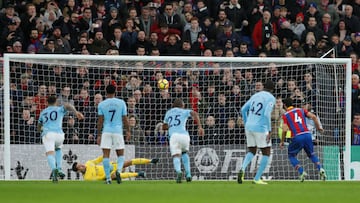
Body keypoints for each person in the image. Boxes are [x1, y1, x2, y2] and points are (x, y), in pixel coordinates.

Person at [37, 95, 84, 183]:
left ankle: (54, 170)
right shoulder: (59, 109)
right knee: (58, 149)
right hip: (60, 135)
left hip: (48, 134)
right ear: (56, 102)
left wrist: (41, 129)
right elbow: (68, 105)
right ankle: (59, 169)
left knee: (50, 153)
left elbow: (39, 127)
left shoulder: (43, 112)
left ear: (47, 103)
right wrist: (76, 112)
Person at [237, 80, 276, 185]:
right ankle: (257, 178)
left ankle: (242, 168)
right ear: (273, 89)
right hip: (261, 128)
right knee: (266, 152)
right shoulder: (271, 98)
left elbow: (243, 109)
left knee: (252, 151)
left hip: (249, 127)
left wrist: (246, 123)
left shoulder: (255, 95)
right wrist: (269, 130)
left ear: (263, 86)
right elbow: (267, 114)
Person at [280, 98, 326, 182]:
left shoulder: (285, 115)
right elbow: (314, 117)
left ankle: (301, 172)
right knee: (311, 155)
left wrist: (282, 141)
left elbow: (284, 130)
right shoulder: (301, 110)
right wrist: (318, 128)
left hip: (297, 136)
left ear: (284, 105)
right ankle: (321, 169)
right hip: (308, 135)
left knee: (291, 155)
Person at [163, 98, 204, 183]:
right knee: (184, 153)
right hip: (185, 135)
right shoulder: (184, 111)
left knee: (176, 156)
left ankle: (178, 172)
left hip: (174, 136)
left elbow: (164, 127)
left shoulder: (168, 113)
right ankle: (188, 174)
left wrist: (170, 126)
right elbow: (195, 114)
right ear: (182, 106)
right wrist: (200, 127)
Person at [97, 84, 130, 184]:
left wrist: (99, 135)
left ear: (106, 92)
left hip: (106, 131)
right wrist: (128, 130)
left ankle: (108, 178)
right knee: (120, 154)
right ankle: (119, 171)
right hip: (118, 131)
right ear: (115, 92)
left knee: (106, 155)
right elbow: (125, 118)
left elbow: (100, 121)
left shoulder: (102, 104)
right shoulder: (121, 103)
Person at [72, 156, 159, 181]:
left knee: (128, 162)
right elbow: (100, 178)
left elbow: (98, 160)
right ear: (79, 171)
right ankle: (139, 174)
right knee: (115, 175)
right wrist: (108, 175)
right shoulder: (87, 178)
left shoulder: (88, 163)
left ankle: (151, 161)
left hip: (110, 166)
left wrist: (104, 156)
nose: (82, 165)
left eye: (80, 164)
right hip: (108, 174)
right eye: (79, 167)